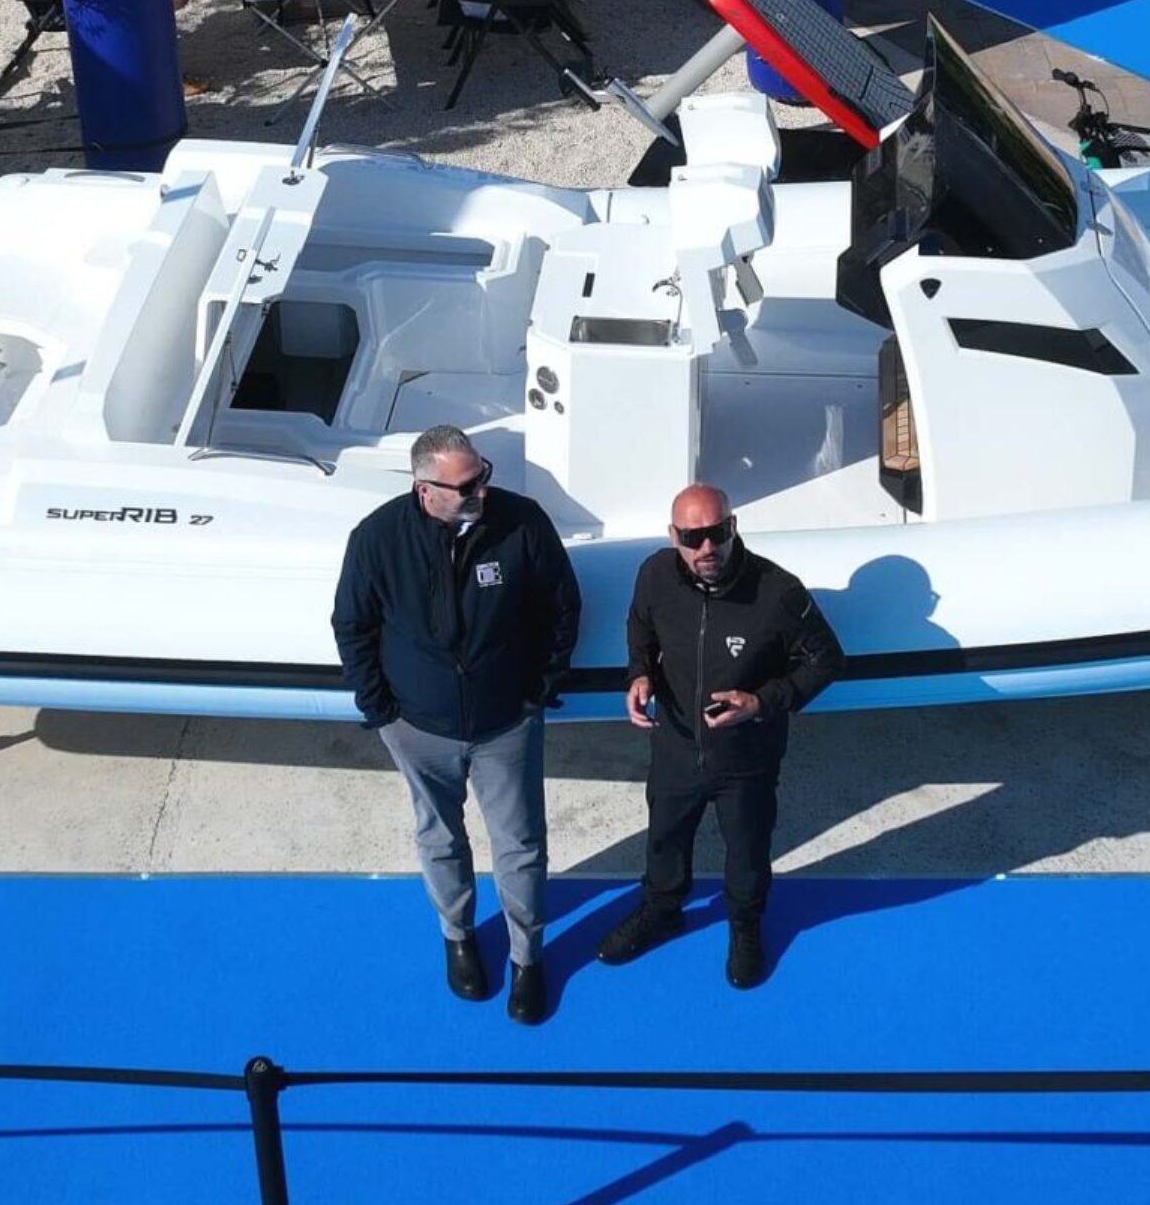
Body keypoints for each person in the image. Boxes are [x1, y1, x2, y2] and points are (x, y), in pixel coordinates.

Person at [333, 425, 581, 1024]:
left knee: (521, 844)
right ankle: (459, 936)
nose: (480, 492)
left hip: (506, 724)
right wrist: (380, 709)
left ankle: (527, 958)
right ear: (425, 490)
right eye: (466, 486)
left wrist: (538, 689)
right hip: (418, 728)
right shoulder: (377, 539)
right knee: (439, 838)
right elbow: (352, 625)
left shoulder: (522, 524)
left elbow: (561, 607)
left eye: (482, 476)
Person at [597, 483, 843, 990]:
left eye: (717, 532)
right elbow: (640, 627)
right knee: (664, 839)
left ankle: (745, 924)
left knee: (748, 851)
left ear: (733, 527)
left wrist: (762, 702)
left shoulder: (777, 592)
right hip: (676, 746)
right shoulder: (655, 575)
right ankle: (663, 909)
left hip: (747, 757)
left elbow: (826, 659)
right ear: (674, 537)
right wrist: (639, 675)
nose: (707, 547)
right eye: (693, 537)